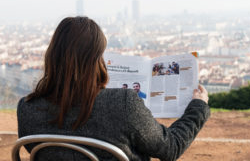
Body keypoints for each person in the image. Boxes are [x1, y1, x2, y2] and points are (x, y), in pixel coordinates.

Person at [17, 16, 210, 161]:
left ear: (52, 55)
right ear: (96, 59)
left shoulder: (26, 108)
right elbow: (170, 147)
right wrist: (198, 107)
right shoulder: (123, 103)